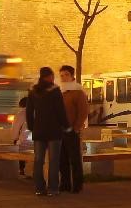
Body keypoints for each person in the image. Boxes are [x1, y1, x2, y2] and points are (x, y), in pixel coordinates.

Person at [26, 66, 69, 196]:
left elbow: (29, 112)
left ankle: (39, 188)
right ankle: (53, 188)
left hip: (39, 130)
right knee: (54, 160)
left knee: (39, 160)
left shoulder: (33, 91)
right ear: (49, 77)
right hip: (54, 131)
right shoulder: (55, 91)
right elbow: (61, 111)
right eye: (52, 76)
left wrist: (32, 127)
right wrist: (66, 126)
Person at [58, 64, 89, 193]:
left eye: (66, 75)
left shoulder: (78, 92)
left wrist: (76, 128)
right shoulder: (60, 92)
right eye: (61, 75)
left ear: (72, 76)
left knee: (74, 158)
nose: (63, 77)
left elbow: (83, 112)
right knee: (62, 159)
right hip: (59, 131)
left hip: (71, 130)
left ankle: (77, 184)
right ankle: (65, 184)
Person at [11, 97, 31, 176]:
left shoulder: (20, 114)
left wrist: (15, 139)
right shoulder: (38, 111)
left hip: (25, 141)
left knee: (19, 146)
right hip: (37, 142)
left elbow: (15, 129)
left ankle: (21, 169)